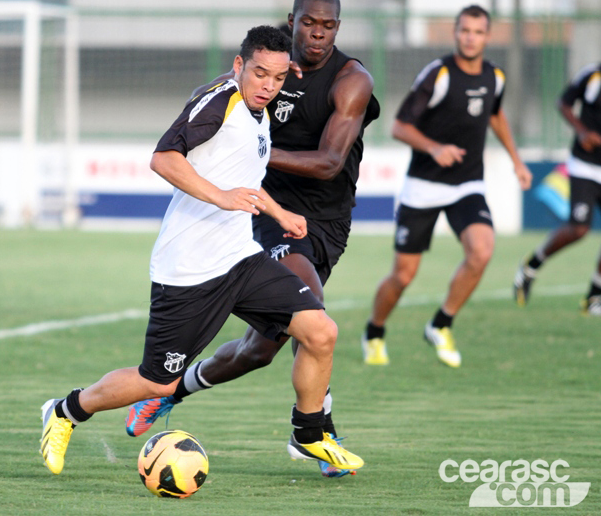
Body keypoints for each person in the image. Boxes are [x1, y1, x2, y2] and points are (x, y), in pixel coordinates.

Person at [40, 25, 364, 477]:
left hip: (240, 258)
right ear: (238, 66)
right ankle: (65, 411)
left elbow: (246, 176)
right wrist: (220, 197)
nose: (268, 86)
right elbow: (164, 158)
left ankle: (309, 433)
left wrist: (277, 212)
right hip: (189, 269)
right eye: (259, 74)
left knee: (320, 332)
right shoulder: (221, 101)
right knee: (158, 379)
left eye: (276, 77)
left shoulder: (260, 110)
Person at [125, 0, 378, 478]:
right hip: (266, 211)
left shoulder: (351, 80)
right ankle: (315, 435)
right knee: (315, 319)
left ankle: (172, 391)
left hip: (326, 219)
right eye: (308, 24)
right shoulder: (267, 67)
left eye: (327, 27)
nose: (317, 35)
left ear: (338, 29)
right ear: (292, 21)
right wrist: (244, 156)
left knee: (260, 350)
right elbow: (213, 102)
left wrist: (256, 148)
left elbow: (329, 163)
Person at [361, 5, 532, 368]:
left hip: (467, 184)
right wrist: (433, 147)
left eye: (478, 31)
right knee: (403, 275)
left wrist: (517, 160)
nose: (470, 37)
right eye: (465, 30)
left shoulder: (495, 77)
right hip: (422, 186)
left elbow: (496, 115)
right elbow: (399, 127)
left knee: (482, 250)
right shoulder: (437, 74)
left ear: (488, 36)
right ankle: (374, 332)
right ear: (456, 33)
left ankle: (441, 324)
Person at [514, 63, 601, 316]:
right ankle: (531, 265)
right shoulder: (593, 75)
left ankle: (593, 298)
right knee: (579, 229)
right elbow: (563, 103)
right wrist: (582, 131)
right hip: (585, 166)